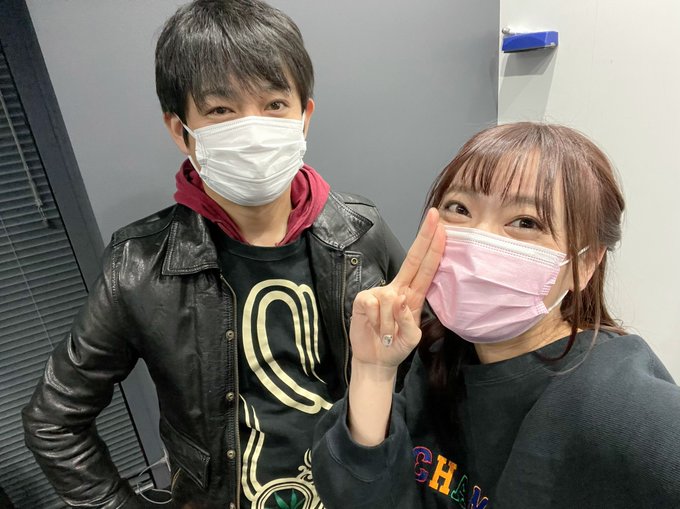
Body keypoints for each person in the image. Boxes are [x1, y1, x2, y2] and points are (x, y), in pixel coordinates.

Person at [21, 1, 404, 508]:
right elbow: (53, 420)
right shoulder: (139, 267)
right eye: (221, 110)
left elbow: (421, 370)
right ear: (181, 130)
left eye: (274, 104)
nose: (253, 129)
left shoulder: (359, 230)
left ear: (304, 117)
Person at [312, 122, 680, 508]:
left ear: (584, 263)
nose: (480, 239)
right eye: (460, 209)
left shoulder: (616, 399)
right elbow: (360, 494)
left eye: (526, 222)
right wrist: (373, 371)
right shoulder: (440, 357)